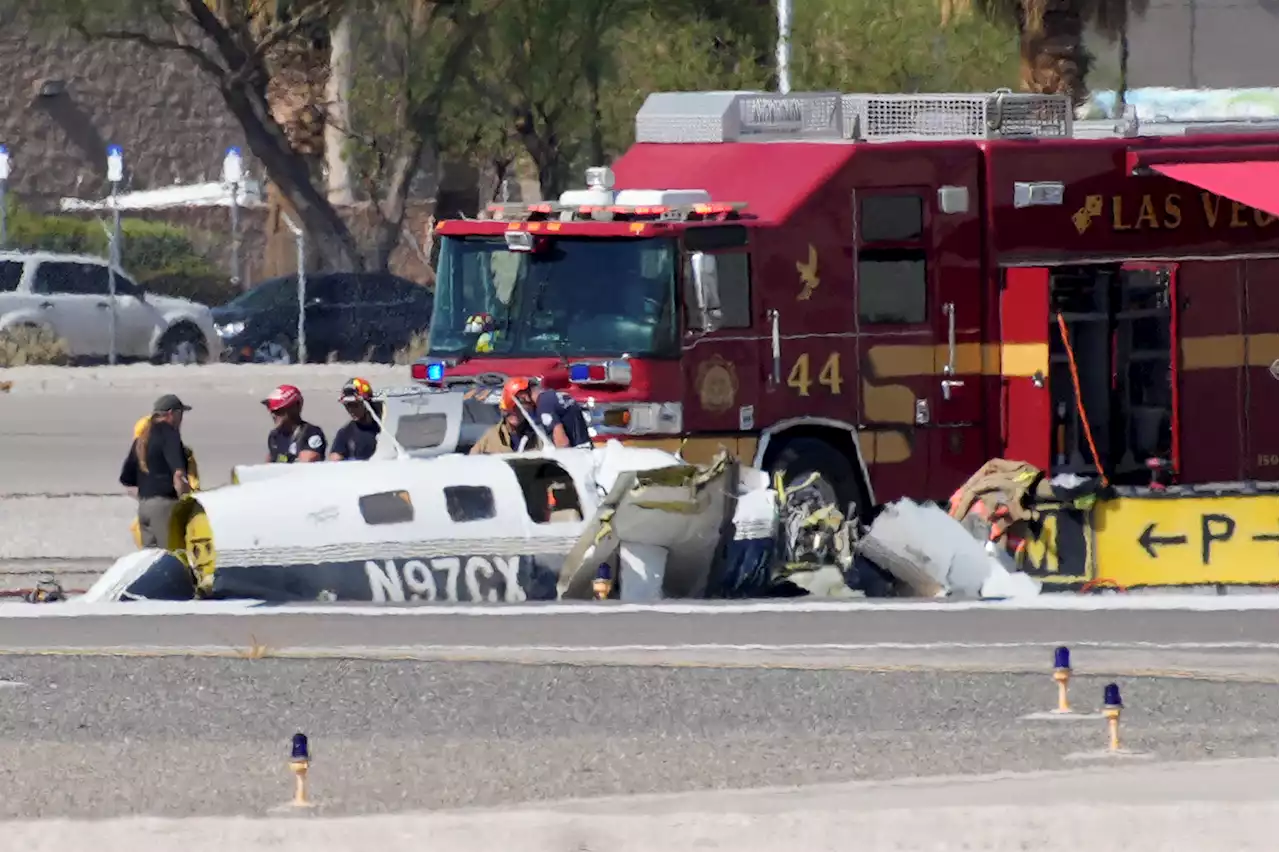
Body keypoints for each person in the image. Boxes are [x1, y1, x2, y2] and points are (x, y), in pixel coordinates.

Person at [119, 394, 194, 549]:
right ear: (171, 414)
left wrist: (147, 492)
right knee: (174, 555)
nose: (181, 420)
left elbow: (127, 479)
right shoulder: (170, 435)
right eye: (180, 414)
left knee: (152, 560)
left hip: (144, 507)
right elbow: (178, 475)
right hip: (165, 506)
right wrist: (186, 502)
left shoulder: (142, 438)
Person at [128, 413, 202, 548]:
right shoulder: (177, 451)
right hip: (170, 511)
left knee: (152, 557)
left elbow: (129, 484)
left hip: (145, 511)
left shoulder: (141, 452)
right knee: (172, 554)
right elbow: (187, 483)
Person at [504, 376, 593, 449]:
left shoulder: (543, 406)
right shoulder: (553, 395)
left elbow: (561, 441)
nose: (523, 411)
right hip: (586, 448)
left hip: (577, 455)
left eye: (518, 407)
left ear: (523, 396)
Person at [263, 384, 327, 463]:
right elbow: (270, 464)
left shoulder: (311, 433)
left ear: (295, 407)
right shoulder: (274, 436)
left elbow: (307, 463)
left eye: (278, 411)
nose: (273, 415)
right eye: (271, 411)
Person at [329, 377, 381, 461]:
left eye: (355, 405)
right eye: (348, 405)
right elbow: (335, 460)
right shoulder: (345, 433)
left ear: (367, 403)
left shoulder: (384, 427)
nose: (351, 410)